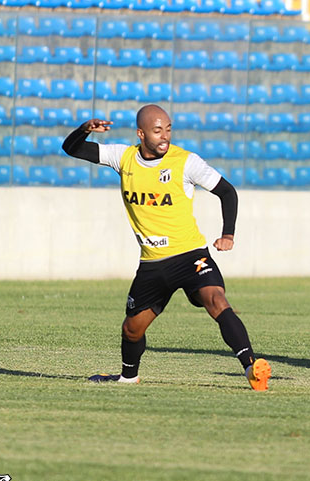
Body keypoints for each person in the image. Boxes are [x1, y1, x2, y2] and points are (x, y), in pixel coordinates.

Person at [62, 104, 271, 391]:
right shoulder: (123, 157)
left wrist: (228, 234)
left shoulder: (186, 161)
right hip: (152, 264)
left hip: (190, 256)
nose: (165, 136)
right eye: (157, 130)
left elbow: (227, 192)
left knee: (216, 301)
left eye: (168, 129)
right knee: (132, 329)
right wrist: (85, 130)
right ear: (141, 133)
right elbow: (72, 148)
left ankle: (251, 367)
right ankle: (128, 377)